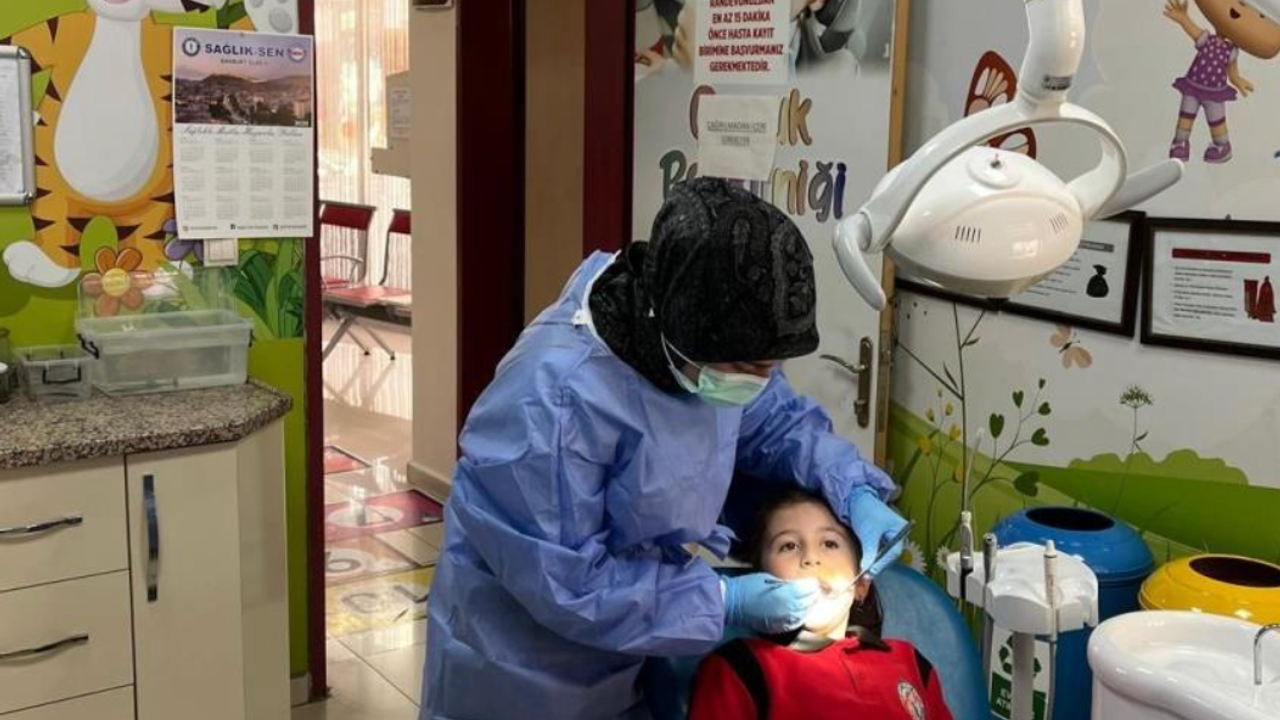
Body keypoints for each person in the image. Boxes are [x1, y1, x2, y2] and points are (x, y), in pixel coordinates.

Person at [421, 178, 906, 720]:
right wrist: (722, 602)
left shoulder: (714, 347)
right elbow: (566, 582)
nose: (760, 379)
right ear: (678, 330)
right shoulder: (553, 400)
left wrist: (853, 488)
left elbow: (777, 423)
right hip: (521, 664)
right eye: (748, 366)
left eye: (769, 365)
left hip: (634, 639)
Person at [688, 488, 952, 720]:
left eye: (829, 543)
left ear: (862, 583)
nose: (811, 558)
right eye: (788, 546)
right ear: (760, 579)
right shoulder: (740, 668)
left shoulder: (911, 663)